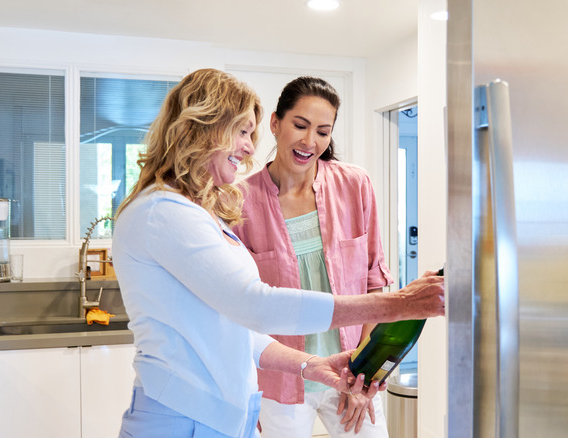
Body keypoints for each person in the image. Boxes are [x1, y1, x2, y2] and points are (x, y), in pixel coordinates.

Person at [111, 68, 444, 438]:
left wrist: (310, 365)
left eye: (249, 134)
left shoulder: (191, 211)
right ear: (203, 127)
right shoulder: (164, 212)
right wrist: (400, 305)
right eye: (241, 131)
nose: (250, 147)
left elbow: (233, 326)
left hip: (216, 418)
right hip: (182, 419)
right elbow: (256, 306)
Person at [232, 76, 393, 438]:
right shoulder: (239, 201)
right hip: (281, 381)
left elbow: (375, 285)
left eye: (323, 131)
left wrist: (365, 373)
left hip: (352, 371)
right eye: (300, 125)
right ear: (275, 124)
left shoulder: (355, 185)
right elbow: (242, 305)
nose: (310, 142)